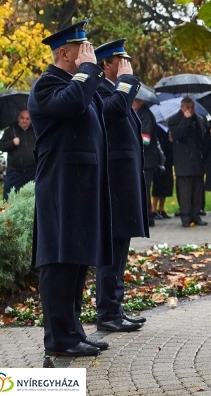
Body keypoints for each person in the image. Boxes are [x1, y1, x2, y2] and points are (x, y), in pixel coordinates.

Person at [28, 20, 112, 356]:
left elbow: (99, 108)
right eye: (83, 50)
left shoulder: (77, 83)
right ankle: (59, 339)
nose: (89, 54)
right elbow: (72, 102)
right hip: (60, 186)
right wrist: (89, 71)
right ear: (64, 53)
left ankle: (74, 330)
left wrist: (92, 73)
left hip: (80, 185)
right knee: (59, 261)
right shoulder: (46, 86)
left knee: (77, 260)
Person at [93, 38, 149, 332]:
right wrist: (126, 82)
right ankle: (107, 313)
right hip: (113, 182)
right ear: (106, 65)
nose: (126, 66)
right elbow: (112, 111)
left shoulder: (115, 90)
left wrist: (125, 83)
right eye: (121, 61)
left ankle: (115, 308)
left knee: (120, 248)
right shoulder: (101, 90)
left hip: (123, 181)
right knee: (112, 250)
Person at [169, 97, 209, 228]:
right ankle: (185, 217)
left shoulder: (199, 118)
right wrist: (185, 120)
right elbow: (177, 135)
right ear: (182, 108)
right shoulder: (174, 119)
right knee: (185, 191)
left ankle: (196, 215)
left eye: (192, 107)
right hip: (183, 161)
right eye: (187, 107)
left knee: (197, 190)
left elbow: (202, 135)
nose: (190, 110)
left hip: (197, 159)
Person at [133, 95, 162, 223]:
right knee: (142, 189)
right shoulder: (138, 113)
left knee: (144, 189)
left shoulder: (146, 115)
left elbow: (145, 139)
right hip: (143, 159)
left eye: (135, 100)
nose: (132, 102)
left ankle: (148, 217)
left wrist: (131, 138)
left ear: (142, 101)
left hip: (147, 160)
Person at [0, 109, 36, 200]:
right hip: (15, 172)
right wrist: (12, 143)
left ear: (30, 120)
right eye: (22, 118)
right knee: (9, 197)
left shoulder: (35, 131)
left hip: (32, 171)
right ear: (18, 118)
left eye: (27, 119)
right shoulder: (11, 130)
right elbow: (1, 146)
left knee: (33, 199)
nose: (24, 120)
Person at [152, 122, 174, 217]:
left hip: (168, 160)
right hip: (159, 161)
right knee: (158, 185)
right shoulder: (156, 128)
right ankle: (153, 208)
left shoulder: (168, 129)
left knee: (166, 185)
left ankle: (161, 208)